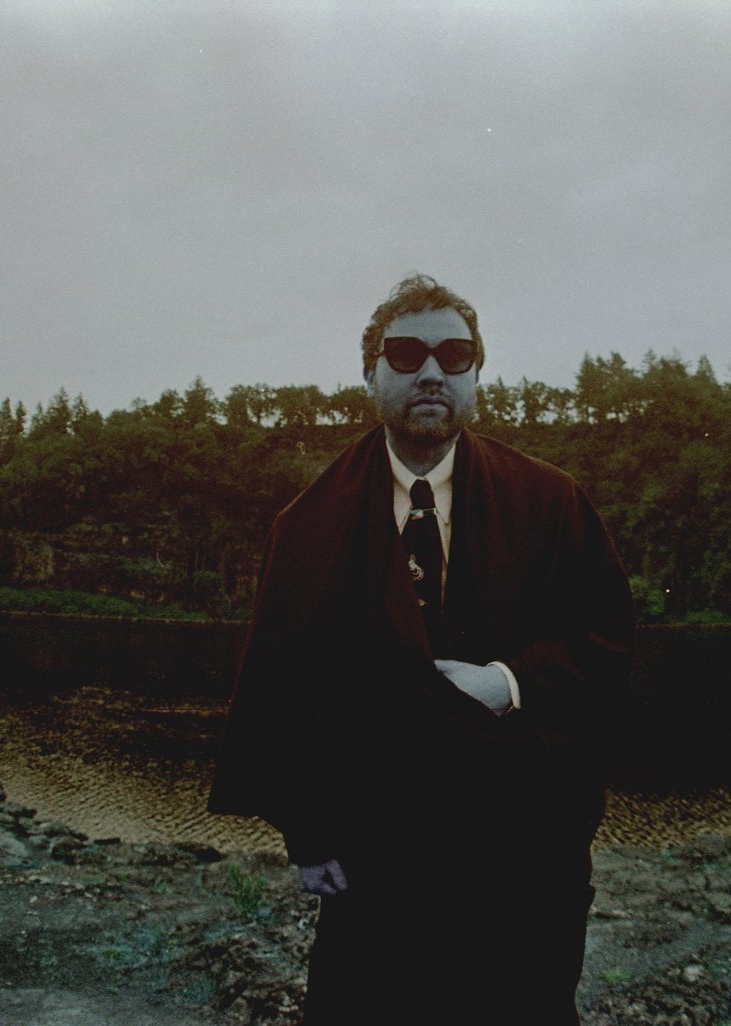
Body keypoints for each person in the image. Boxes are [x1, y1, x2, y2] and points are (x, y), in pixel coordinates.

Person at [208, 274, 634, 1025]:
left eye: (453, 354)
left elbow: (607, 637)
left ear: (476, 371)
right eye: (405, 353)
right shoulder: (306, 526)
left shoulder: (552, 500)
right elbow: (280, 687)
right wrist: (308, 836)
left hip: (524, 854)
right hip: (379, 862)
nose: (431, 371)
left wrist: (508, 680)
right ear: (370, 371)